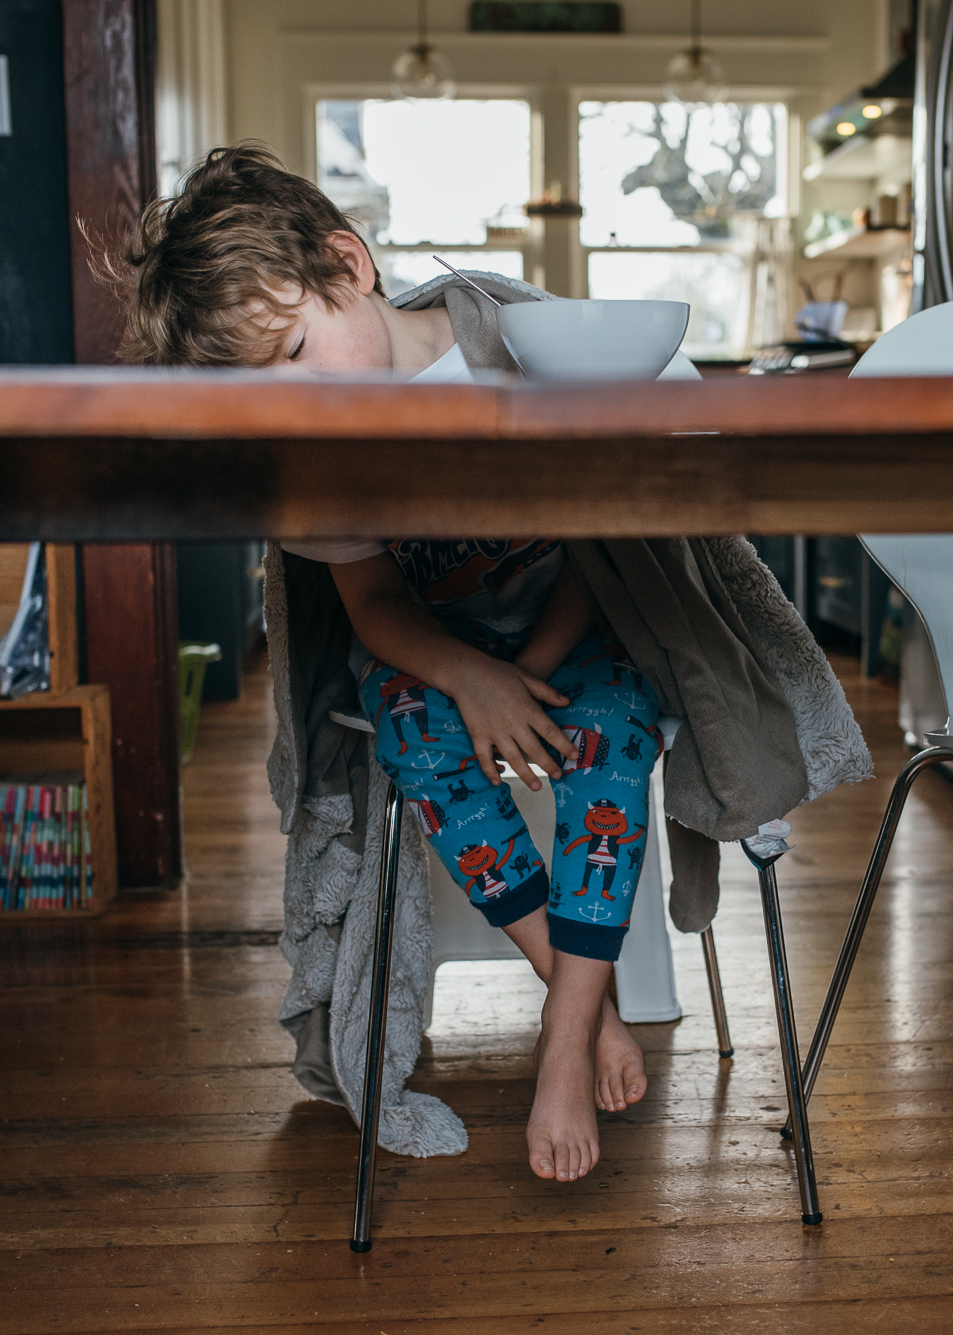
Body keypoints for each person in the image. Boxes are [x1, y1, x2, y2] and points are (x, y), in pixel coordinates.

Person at [105, 142, 671, 1184]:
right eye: (253, 395)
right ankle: (579, 1009)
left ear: (347, 267)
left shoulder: (517, 358)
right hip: (437, 656)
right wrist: (469, 675)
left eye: (291, 353)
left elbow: (610, 539)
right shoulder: (315, 465)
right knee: (414, 732)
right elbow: (369, 601)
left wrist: (531, 670)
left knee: (617, 728)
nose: (290, 401)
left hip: (572, 631)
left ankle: (563, 1039)